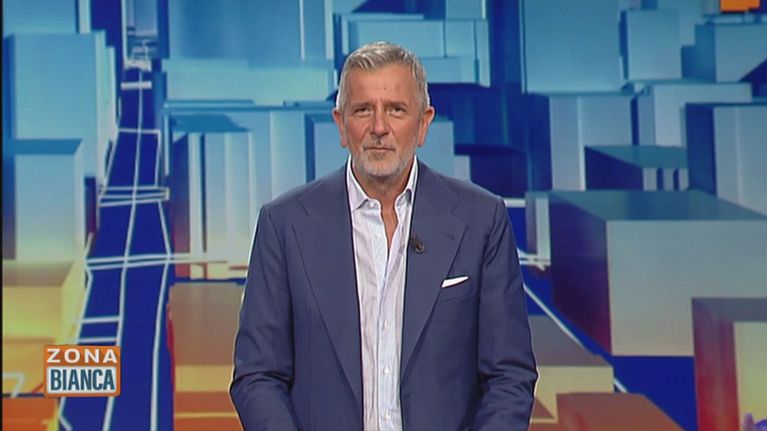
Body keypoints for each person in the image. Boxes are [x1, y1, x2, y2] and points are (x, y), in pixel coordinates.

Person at [230, 41, 537, 431]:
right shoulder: (284, 225)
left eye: (395, 109)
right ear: (340, 124)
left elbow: (509, 377)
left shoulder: (481, 220)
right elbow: (257, 375)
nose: (379, 127)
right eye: (363, 110)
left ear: (423, 123)